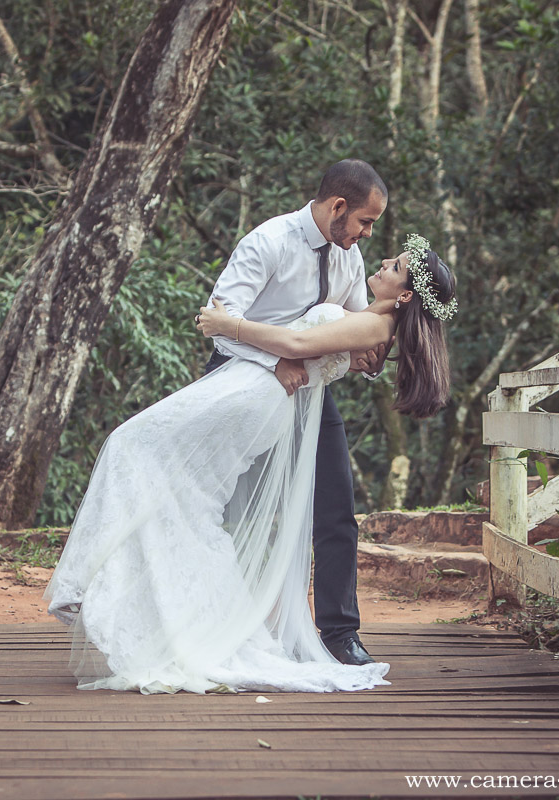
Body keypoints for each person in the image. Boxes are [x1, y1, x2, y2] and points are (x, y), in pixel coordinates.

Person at [44, 232, 457, 695]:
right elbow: (323, 345)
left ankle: (101, 590)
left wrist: (231, 326)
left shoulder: (375, 327)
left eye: (396, 266)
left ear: (404, 295)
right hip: (250, 385)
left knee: (134, 447)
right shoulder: (365, 317)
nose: (382, 262)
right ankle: (132, 603)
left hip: (255, 396)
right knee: (176, 487)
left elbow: (298, 341)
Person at [202, 159, 390, 666]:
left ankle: (339, 632)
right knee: (215, 507)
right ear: (338, 207)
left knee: (336, 509)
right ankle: (207, 619)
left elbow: (347, 334)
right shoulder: (267, 242)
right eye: (365, 222)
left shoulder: (350, 258)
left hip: (309, 395)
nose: (366, 234)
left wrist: (369, 358)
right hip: (236, 386)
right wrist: (276, 358)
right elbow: (218, 321)